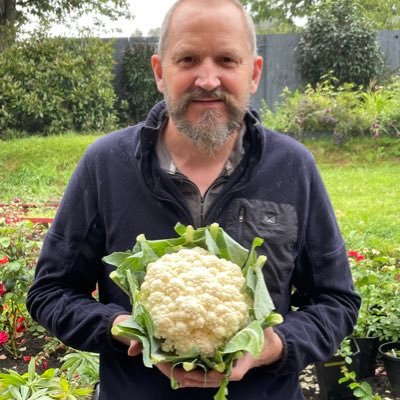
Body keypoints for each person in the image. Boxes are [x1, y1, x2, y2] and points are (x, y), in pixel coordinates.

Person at [26, 0, 361, 399]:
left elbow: (336, 301)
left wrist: (275, 345)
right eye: (187, 59)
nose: (207, 79)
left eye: (226, 60)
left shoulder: (293, 167)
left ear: (252, 73)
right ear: (159, 72)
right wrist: (119, 326)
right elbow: (51, 292)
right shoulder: (106, 165)